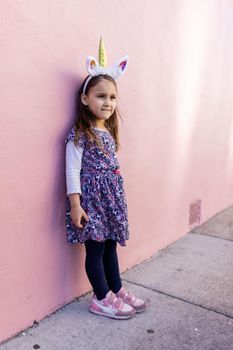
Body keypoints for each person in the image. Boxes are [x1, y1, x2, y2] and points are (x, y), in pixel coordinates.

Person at [65, 38, 146, 320]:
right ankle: (100, 298)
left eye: (112, 97)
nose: (108, 102)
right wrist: (76, 205)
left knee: (111, 245)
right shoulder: (79, 134)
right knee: (96, 248)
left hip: (111, 200)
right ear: (86, 99)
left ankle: (116, 289)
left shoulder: (109, 133)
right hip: (91, 202)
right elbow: (72, 171)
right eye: (101, 96)